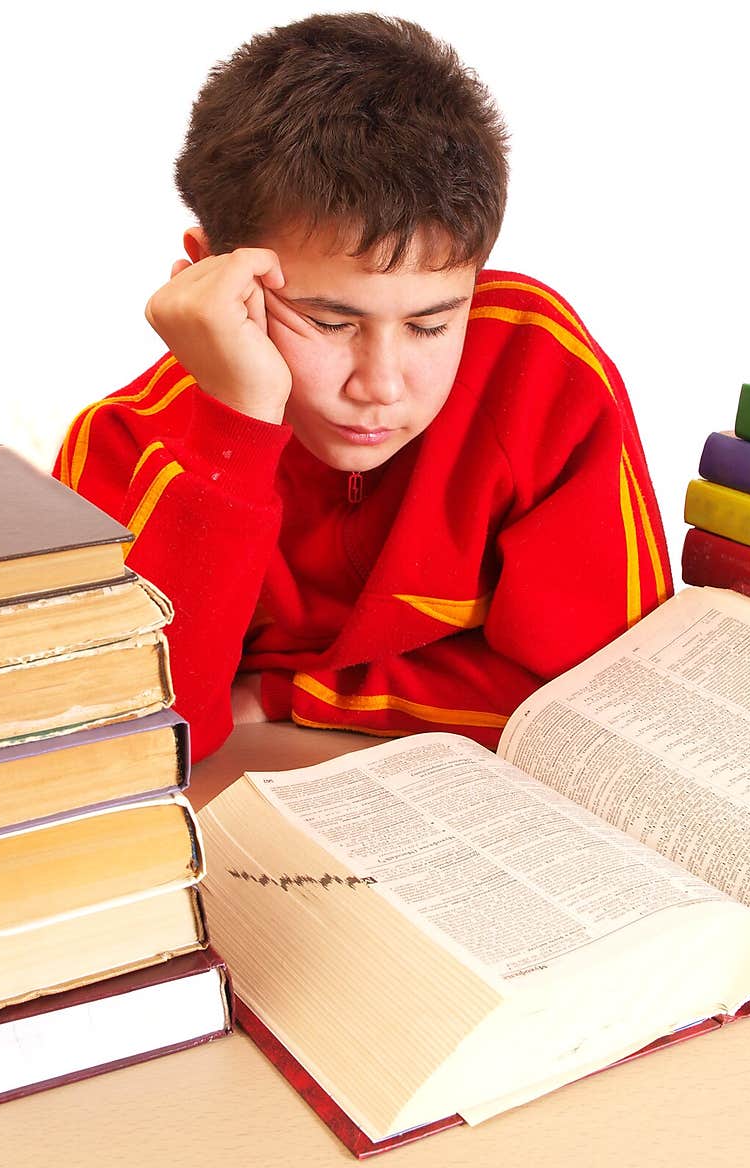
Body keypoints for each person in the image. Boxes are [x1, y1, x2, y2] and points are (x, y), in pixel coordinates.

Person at [54, 12, 672, 763]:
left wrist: (293, 692)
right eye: (328, 321)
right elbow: (139, 744)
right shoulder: (122, 442)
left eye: (432, 324)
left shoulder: (542, 372)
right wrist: (236, 425)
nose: (381, 386)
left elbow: (607, 696)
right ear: (213, 271)